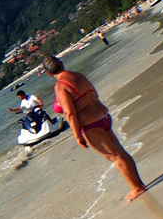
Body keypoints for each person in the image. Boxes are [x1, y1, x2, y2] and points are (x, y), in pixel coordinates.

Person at [45, 56, 147, 203]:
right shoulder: (79, 76)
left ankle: (137, 188)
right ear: (61, 63)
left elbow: (70, 113)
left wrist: (77, 135)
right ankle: (139, 184)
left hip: (91, 124)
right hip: (103, 116)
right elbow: (94, 94)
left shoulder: (60, 86)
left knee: (114, 156)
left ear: (49, 74)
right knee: (121, 152)